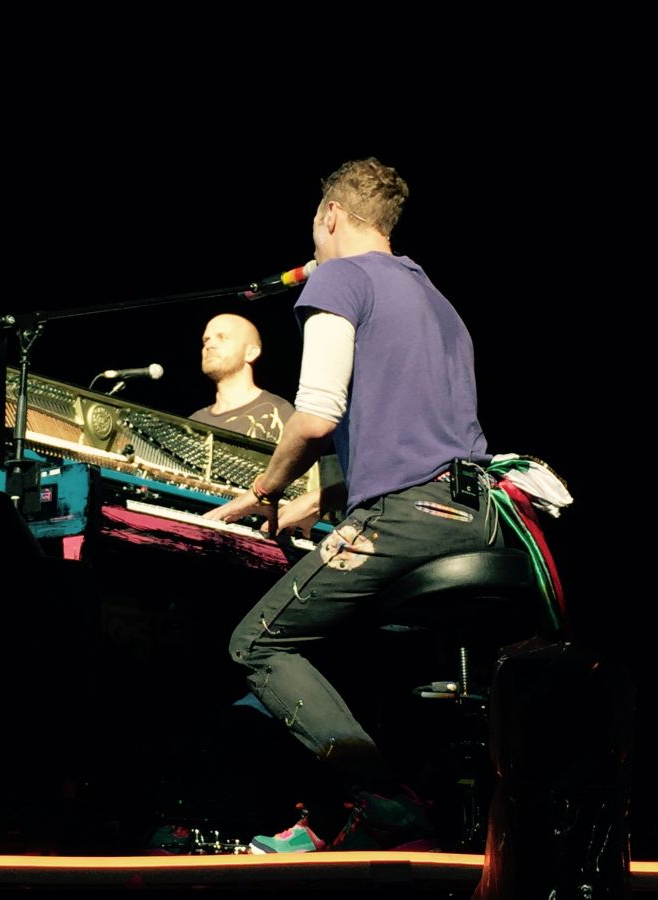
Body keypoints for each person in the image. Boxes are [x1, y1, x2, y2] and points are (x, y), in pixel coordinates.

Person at [206, 158, 502, 853]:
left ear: (331, 216)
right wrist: (316, 500)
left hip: (406, 517)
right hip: (479, 515)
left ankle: (386, 804)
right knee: (339, 640)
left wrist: (263, 490)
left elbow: (314, 416)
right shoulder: (437, 301)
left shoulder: (339, 277)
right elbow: (419, 434)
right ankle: (343, 815)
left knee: (256, 643)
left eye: (315, 226)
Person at [190, 313, 295, 443]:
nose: (209, 345)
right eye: (206, 340)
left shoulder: (278, 411)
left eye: (222, 337)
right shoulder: (194, 422)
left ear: (250, 353)